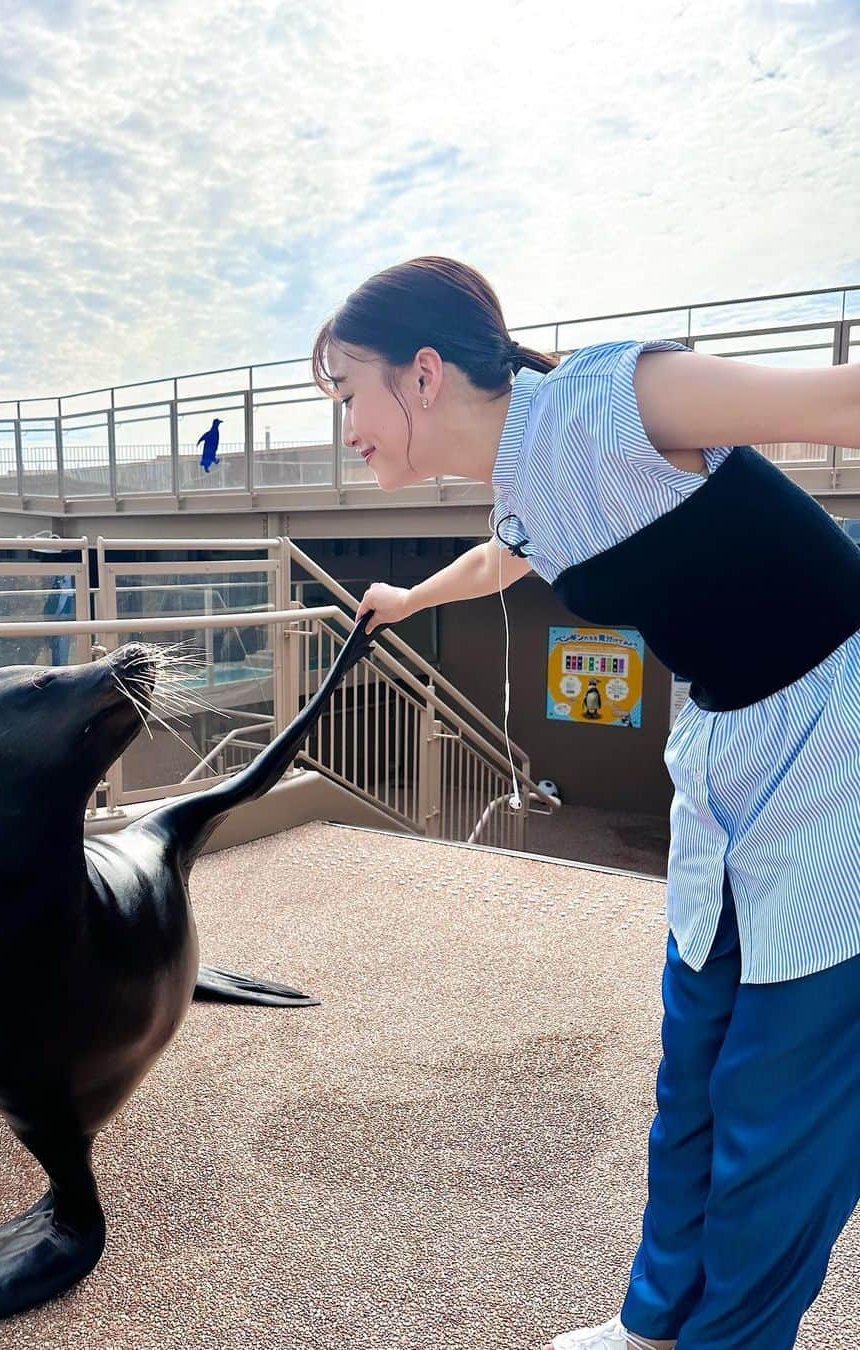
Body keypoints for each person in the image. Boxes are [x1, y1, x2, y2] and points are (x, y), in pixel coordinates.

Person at [311, 257, 860, 1350]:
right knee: (694, 1066)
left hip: (839, 736)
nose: (346, 428)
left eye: (347, 394)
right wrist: (409, 597)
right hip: (727, 750)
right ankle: (655, 1320)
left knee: (780, 1101)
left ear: (423, 376)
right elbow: (500, 560)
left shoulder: (616, 399)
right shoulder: (523, 487)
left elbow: (842, 402)